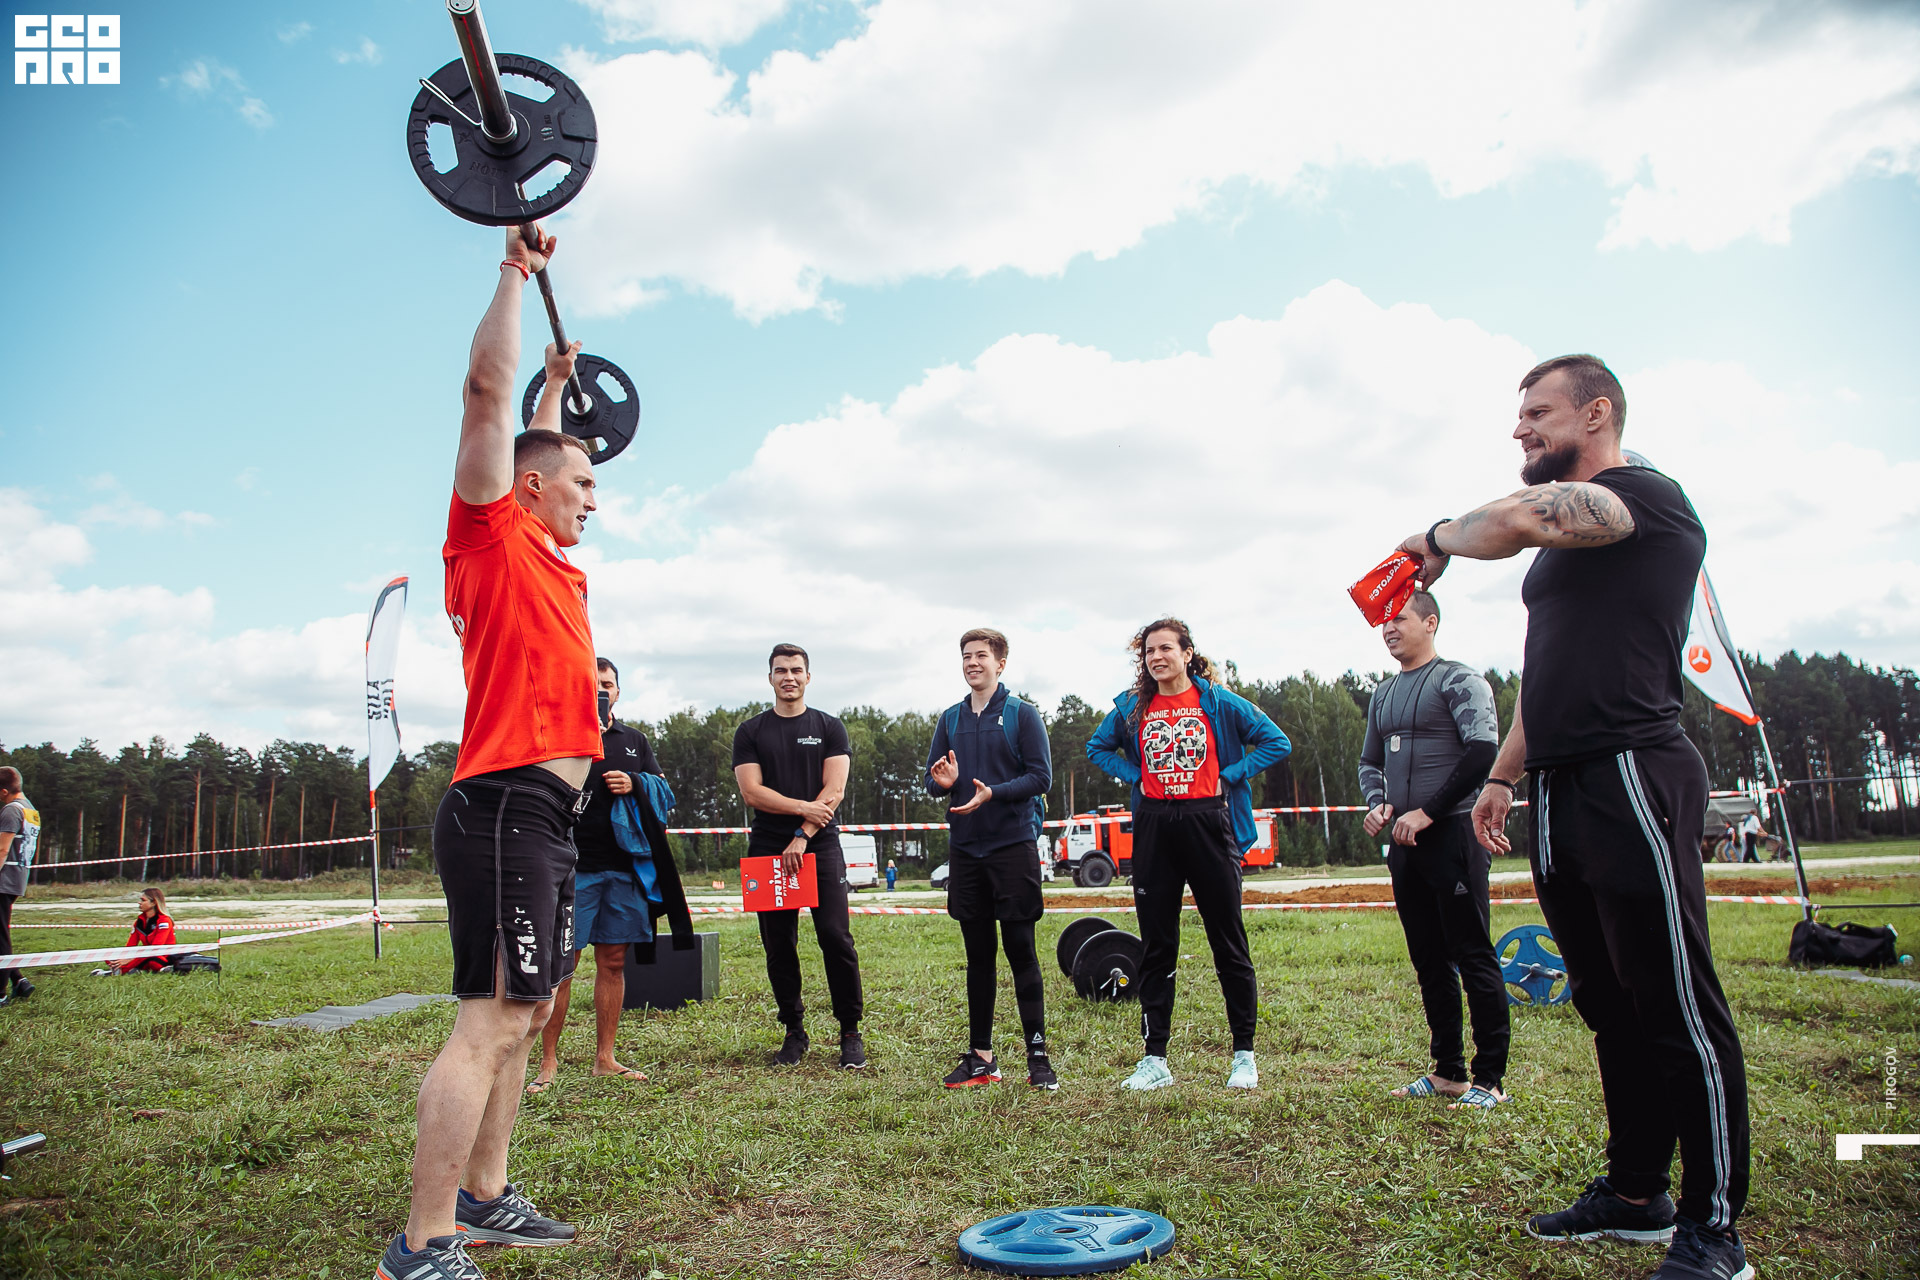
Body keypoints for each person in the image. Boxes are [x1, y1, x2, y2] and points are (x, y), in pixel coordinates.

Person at [1402, 354, 1752, 1280]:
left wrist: (1437, 535)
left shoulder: (1643, 498)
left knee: (1676, 999)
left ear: (1597, 413)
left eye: (1537, 413)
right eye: (1518, 415)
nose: (1521, 429)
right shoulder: (1566, 554)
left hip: (1635, 766)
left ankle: (1716, 1231)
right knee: (1606, 999)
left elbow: (1520, 519)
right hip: (1558, 783)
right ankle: (1639, 1195)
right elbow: (1548, 671)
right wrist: (1503, 779)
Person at [379, 225, 601, 1280]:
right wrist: (514, 272)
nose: (593, 495)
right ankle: (422, 1243)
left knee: (532, 1007)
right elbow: (485, 402)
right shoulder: (489, 535)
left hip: (548, 815)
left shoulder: (554, 558)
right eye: (583, 481)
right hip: (505, 802)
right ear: (531, 492)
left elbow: (531, 438)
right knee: (491, 1018)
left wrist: (556, 390)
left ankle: (486, 1189)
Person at [1086, 618, 1290, 1091]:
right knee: (1157, 946)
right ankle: (1155, 1059)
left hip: (1209, 822)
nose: (1156, 658)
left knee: (1229, 943)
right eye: (1148, 652)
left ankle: (1244, 1056)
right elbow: (1099, 747)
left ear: (1187, 652)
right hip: (1155, 825)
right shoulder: (1135, 708)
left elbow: (1277, 741)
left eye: (1165, 649)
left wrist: (1232, 772)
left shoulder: (1217, 701)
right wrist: (1134, 775)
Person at [1357, 592, 1509, 1109]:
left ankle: (1491, 1079)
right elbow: (1368, 763)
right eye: (1384, 622)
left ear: (1431, 621)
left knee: (1472, 953)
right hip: (1405, 843)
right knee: (1427, 957)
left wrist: (1430, 811)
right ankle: (1448, 1072)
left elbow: (1483, 752)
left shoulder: (1459, 680)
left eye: (1398, 619)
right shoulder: (1383, 694)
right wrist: (1379, 805)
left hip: (1454, 836)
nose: (1389, 629)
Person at [528, 657, 694, 1094]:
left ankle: (605, 1058)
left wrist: (635, 782)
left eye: (607, 684)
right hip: (571, 868)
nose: (601, 691)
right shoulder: (558, 734)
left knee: (614, 962)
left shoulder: (634, 740)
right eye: (593, 684)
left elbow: (665, 792)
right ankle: (548, 1062)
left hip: (623, 870)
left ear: (617, 691)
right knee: (561, 967)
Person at [924, 628, 1056, 1090]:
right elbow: (931, 780)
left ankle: (1038, 1059)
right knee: (978, 956)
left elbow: (1041, 778)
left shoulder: (1023, 715)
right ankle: (981, 1058)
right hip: (966, 851)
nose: (972, 662)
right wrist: (944, 782)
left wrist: (992, 793)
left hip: (1011, 847)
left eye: (981, 655)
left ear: (1001, 663)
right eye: (966, 655)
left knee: (1020, 950)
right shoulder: (950, 719)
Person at [731, 644, 867, 1069]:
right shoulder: (751, 732)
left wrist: (804, 833)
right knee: (779, 946)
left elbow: (835, 790)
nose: (788, 677)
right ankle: (793, 1031)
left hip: (819, 844)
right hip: (768, 850)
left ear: (808, 677)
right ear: (769, 678)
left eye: (796, 670)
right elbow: (752, 792)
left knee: (835, 937)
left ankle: (850, 1031)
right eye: (780, 670)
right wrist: (801, 809)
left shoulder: (829, 726)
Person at [0, 767, 40, 1005]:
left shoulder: (10, 810)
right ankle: (19, 980)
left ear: (5, 790)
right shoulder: (30, 810)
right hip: (18, 876)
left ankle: (1, 993)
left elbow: (3, 849)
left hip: (3, 880)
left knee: (1, 936)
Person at [115, 888, 182, 973]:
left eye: (143, 900)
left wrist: (130, 960)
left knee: (153, 961)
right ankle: (128, 968)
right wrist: (123, 957)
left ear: (153, 903)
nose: (139, 903)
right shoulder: (139, 921)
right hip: (146, 954)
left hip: (160, 956)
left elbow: (156, 947)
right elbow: (130, 945)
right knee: (111, 957)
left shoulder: (164, 921)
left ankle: (122, 970)